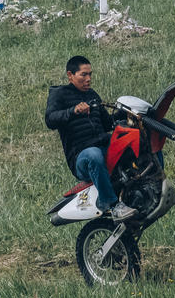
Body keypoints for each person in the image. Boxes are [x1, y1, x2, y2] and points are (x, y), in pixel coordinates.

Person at [45, 55, 137, 222]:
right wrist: (73, 111)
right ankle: (113, 205)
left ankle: (155, 187)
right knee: (94, 154)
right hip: (82, 157)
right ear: (70, 75)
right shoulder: (60, 94)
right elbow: (50, 120)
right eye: (83, 75)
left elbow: (108, 123)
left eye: (90, 75)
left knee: (137, 140)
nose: (88, 79)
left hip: (103, 146)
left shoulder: (92, 95)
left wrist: (124, 114)